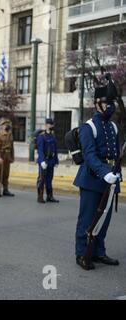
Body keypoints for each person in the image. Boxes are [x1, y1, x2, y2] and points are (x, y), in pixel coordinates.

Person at [73, 76, 121, 271]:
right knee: (88, 218)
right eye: (106, 103)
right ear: (97, 105)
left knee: (105, 218)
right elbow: (90, 156)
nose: (110, 106)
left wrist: (117, 176)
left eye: (112, 103)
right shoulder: (88, 127)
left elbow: (116, 155)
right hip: (92, 179)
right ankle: (82, 253)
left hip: (110, 180)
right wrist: (104, 173)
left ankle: (99, 251)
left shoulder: (113, 127)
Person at [37, 118, 59, 203]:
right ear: (46, 125)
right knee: (41, 179)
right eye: (50, 124)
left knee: (49, 179)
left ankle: (49, 196)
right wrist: (42, 161)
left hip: (51, 161)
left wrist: (56, 161)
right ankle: (40, 197)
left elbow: (55, 149)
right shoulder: (42, 136)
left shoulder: (53, 136)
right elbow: (40, 149)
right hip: (44, 161)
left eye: (52, 124)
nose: (52, 126)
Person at [0, 118, 15, 197]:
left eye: (7, 124)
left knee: (6, 173)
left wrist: (12, 157)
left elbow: (12, 147)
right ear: (2, 126)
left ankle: (5, 189)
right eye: (5, 124)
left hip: (7, 156)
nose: (6, 126)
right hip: (1, 156)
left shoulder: (10, 135)